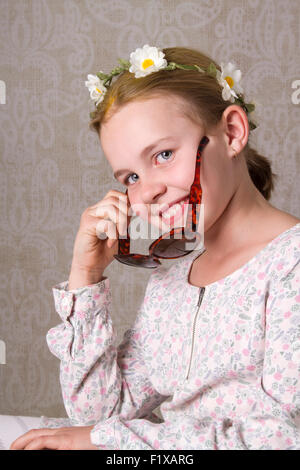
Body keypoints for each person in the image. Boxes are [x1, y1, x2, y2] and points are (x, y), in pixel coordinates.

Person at [10, 45, 300, 450]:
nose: (148, 191)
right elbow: (99, 416)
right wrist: (86, 277)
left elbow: (284, 439)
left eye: (164, 154)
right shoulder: (174, 274)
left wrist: (110, 441)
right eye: (130, 176)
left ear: (232, 132)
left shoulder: (291, 266)